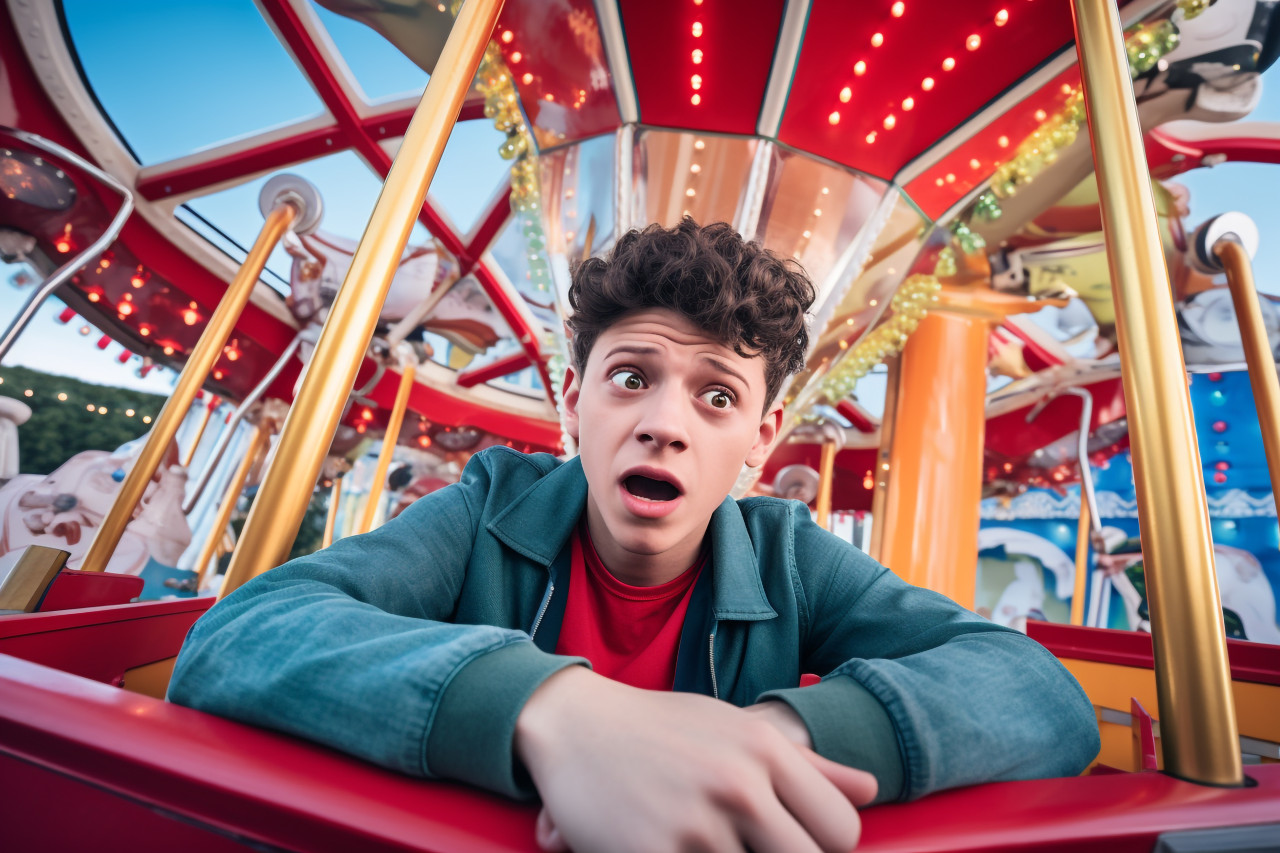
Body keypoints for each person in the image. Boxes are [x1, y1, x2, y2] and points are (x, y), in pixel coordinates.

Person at [169, 219, 1100, 853]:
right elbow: (239, 634)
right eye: (630, 377)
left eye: (719, 395)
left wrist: (762, 741)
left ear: (760, 440)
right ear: (572, 404)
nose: (666, 422)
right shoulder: (488, 505)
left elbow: (1040, 694)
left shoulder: (789, 556)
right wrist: (554, 713)